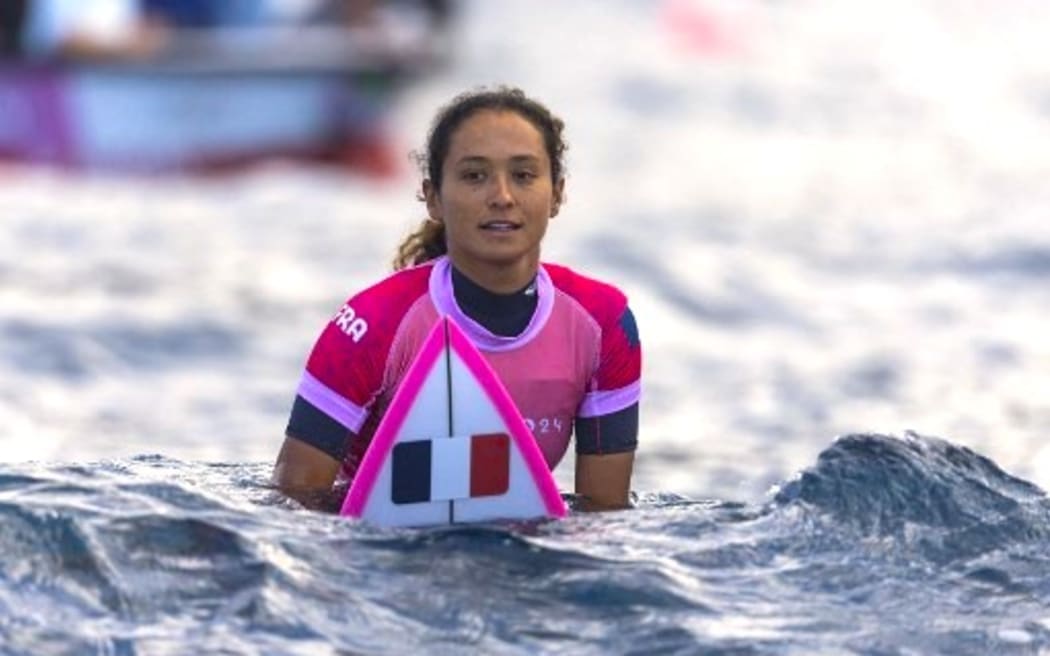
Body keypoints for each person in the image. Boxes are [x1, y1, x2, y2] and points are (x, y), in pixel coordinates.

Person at [273, 86, 641, 513]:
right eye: (474, 176)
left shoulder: (603, 324)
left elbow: (604, 516)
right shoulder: (373, 323)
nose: (502, 196)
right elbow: (292, 506)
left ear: (557, 194)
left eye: (523, 175)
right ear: (433, 198)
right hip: (373, 553)